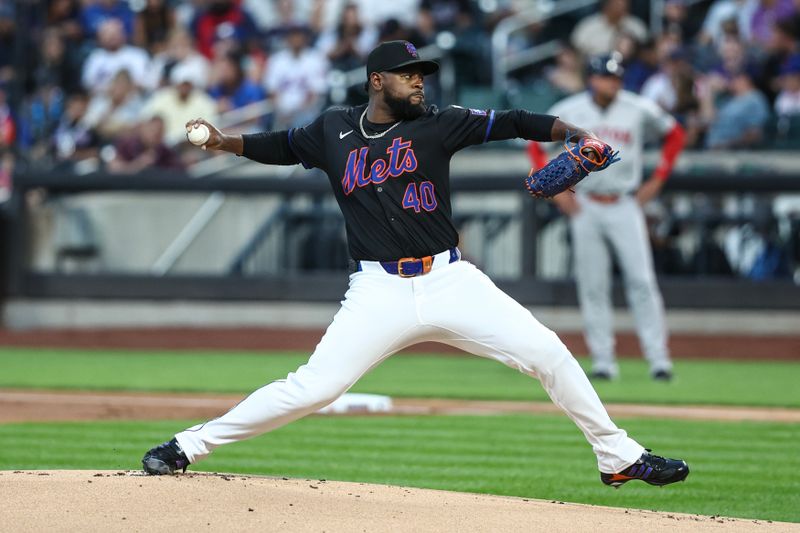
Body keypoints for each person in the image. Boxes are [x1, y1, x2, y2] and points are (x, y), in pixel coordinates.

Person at [142, 41, 690, 489]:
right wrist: (223, 142)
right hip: (377, 290)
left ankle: (617, 456)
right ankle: (188, 444)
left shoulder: (440, 124)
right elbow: (281, 145)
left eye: (422, 75)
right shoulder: (332, 129)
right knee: (314, 387)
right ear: (377, 80)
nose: (419, 82)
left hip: (450, 279)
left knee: (548, 352)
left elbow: (514, 120)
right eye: (408, 75)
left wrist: (571, 133)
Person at [530, 54, 686, 381]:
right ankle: (603, 361)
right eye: (605, 78)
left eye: (616, 78)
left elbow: (675, 135)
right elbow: (534, 143)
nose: (611, 83)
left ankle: (659, 360)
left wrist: (657, 178)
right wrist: (559, 194)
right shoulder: (570, 109)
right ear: (592, 79)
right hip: (585, 203)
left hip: (624, 202)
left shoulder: (638, 107)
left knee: (641, 281)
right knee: (592, 284)